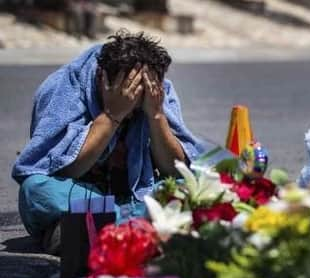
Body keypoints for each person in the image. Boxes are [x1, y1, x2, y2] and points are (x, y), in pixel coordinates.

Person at [12, 30, 205, 254]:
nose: (132, 107)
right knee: (35, 189)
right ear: (101, 78)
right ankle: (141, 226)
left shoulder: (158, 89)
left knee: (193, 186)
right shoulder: (64, 87)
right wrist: (113, 114)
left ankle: (97, 229)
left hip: (135, 196)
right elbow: (60, 170)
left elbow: (177, 169)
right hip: (80, 193)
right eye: (127, 94)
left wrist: (156, 115)